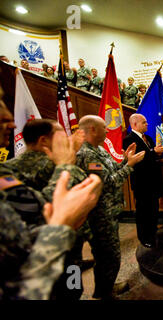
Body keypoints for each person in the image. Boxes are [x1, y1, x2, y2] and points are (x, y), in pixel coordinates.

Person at [0, 86, 102, 299]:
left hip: (66, 248)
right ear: (43, 140)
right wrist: (66, 165)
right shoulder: (30, 167)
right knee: (68, 291)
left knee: (74, 287)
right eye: (60, 135)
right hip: (45, 261)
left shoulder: (53, 162)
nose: (66, 138)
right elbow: (46, 208)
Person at [76, 115, 145, 299]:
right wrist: (130, 166)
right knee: (110, 257)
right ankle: (106, 294)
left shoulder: (98, 149)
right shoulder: (86, 155)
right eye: (104, 127)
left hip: (108, 212)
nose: (108, 130)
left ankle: (104, 289)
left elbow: (112, 170)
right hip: (99, 215)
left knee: (105, 256)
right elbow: (109, 182)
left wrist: (125, 160)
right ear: (92, 130)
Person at [123, 114, 163, 248]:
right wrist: (154, 151)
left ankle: (152, 233)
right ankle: (144, 237)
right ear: (134, 124)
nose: (147, 124)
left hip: (153, 180)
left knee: (153, 209)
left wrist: (157, 152)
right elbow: (137, 160)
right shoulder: (129, 140)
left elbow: (151, 155)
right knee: (143, 212)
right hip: (142, 183)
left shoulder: (147, 138)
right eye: (144, 122)